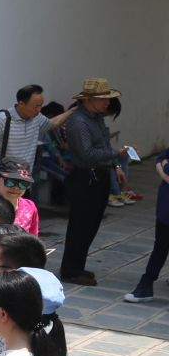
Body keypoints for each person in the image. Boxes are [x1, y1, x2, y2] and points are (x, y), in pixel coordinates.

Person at [57, 79, 129, 284]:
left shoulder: (96, 118)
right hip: (85, 177)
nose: (108, 103)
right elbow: (87, 154)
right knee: (80, 225)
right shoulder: (79, 121)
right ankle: (70, 270)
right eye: (103, 99)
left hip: (99, 175)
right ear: (89, 99)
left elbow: (104, 144)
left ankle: (77, 266)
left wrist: (115, 165)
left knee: (92, 225)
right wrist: (118, 153)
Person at [0, 85, 71, 190]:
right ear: (21, 104)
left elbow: (52, 123)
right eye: (35, 106)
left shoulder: (37, 118)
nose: (39, 110)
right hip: (1, 180)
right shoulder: (2, 119)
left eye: (41, 105)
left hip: (23, 180)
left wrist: (73, 110)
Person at [124, 144, 169, 304]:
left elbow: (164, 163)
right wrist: (165, 171)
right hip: (166, 206)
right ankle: (145, 286)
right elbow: (160, 159)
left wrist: (165, 166)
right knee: (160, 247)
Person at [0, 159, 39, 235]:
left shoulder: (30, 208)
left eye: (23, 183)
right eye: (10, 181)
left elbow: (33, 237)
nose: (16, 187)